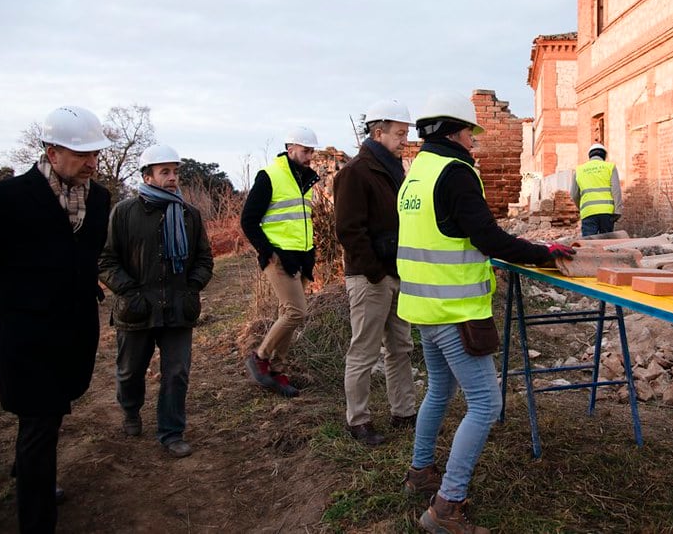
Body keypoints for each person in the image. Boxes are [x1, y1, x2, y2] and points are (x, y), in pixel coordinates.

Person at [397, 90, 575, 534]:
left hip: (423, 307)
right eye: (471, 135)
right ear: (456, 132)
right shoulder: (456, 173)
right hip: (455, 309)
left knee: (439, 389)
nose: (474, 144)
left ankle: (420, 472)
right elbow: (488, 238)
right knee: (485, 403)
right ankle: (446, 507)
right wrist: (542, 252)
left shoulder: (416, 173)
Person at [0, 106, 113, 533]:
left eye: (95, 152)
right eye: (82, 153)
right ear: (51, 150)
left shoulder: (99, 199)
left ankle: (29, 469)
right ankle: (37, 516)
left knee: (49, 414)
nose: (92, 163)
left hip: (74, 331)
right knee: (40, 420)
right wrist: (6, 307)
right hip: (25, 337)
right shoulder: (6, 198)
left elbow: (86, 256)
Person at [98, 144, 214, 459]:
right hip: (136, 310)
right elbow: (106, 260)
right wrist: (130, 293)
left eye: (175, 171)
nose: (173, 177)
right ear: (148, 176)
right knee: (129, 371)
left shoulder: (190, 215)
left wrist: (192, 288)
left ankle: (171, 432)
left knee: (177, 372)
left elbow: (204, 259)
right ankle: (131, 410)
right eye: (165, 172)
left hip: (178, 308)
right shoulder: (124, 212)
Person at [333, 99, 417, 446]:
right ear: (378, 132)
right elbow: (349, 231)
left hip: (396, 272)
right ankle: (359, 420)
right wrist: (374, 273)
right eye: (399, 133)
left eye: (406, 133)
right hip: (370, 278)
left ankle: (405, 412)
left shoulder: (394, 169)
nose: (404, 140)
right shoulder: (355, 172)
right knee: (364, 351)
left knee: (401, 347)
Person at [241, 126, 320, 397]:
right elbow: (248, 220)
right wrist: (269, 251)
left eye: (312, 151)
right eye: (306, 151)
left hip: (300, 256)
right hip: (278, 257)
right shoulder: (270, 176)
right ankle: (260, 356)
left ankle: (277, 370)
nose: (310, 156)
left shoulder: (305, 180)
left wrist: (310, 252)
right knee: (296, 312)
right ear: (290, 149)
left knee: (286, 314)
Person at [570, 143, 623, 237]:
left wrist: (582, 207)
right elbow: (616, 190)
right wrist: (617, 210)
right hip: (607, 212)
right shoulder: (610, 167)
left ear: (589, 155)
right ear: (604, 156)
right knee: (606, 243)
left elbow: (574, 194)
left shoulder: (579, 170)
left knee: (589, 243)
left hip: (588, 212)